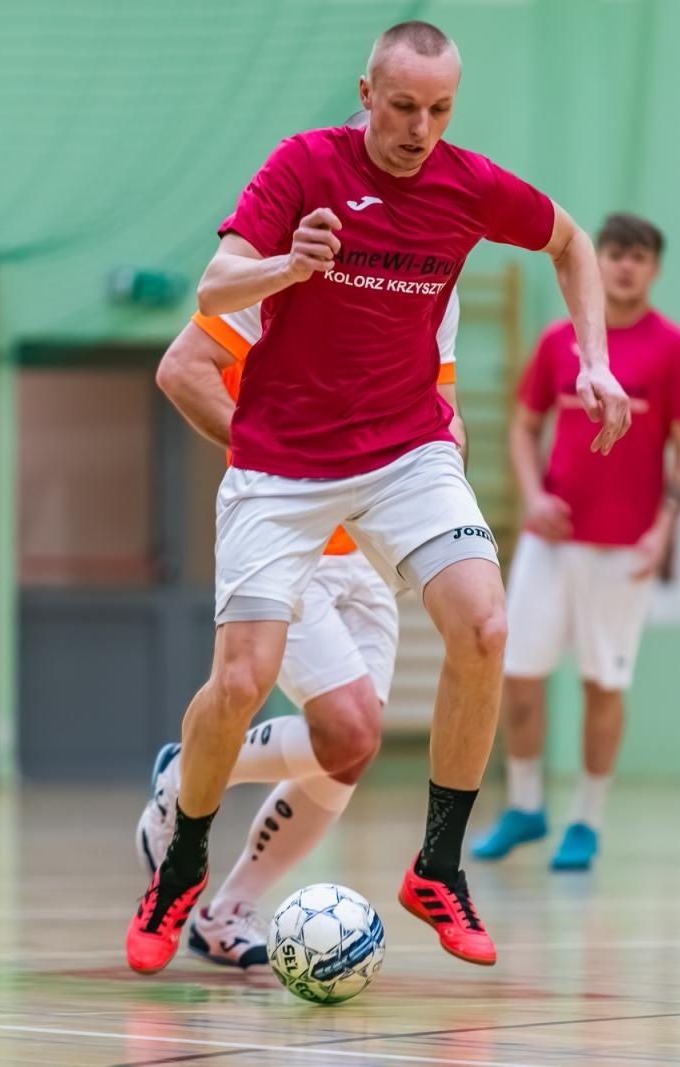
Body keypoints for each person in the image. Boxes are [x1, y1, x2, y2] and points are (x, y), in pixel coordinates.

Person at [125, 19, 631, 975]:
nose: (420, 128)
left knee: (485, 624)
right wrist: (289, 264)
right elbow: (214, 284)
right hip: (282, 464)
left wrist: (595, 362)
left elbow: (569, 241)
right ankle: (182, 863)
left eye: (440, 110)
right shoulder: (305, 169)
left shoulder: (468, 187)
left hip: (405, 453)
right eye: (403, 107)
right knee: (239, 681)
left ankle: (439, 866)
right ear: (366, 94)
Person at [139, 272, 463, 970]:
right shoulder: (275, 283)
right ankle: (187, 777)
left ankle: (227, 912)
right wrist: (278, 458)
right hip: (290, 541)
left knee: (351, 748)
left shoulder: (421, 281)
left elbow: (441, 405)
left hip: (373, 551)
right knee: (347, 724)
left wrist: (433, 496)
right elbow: (182, 369)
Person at [472, 212, 680, 872]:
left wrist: (663, 531)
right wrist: (530, 497)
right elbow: (522, 428)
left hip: (623, 552)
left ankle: (587, 820)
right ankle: (523, 806)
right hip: (552, 543)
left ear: (654, 269)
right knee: (516, 675)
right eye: (615, 253)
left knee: (603, 685)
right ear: (597, 260)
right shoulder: (557, 343)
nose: (626, 265)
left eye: (639, 256)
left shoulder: (676, 351)